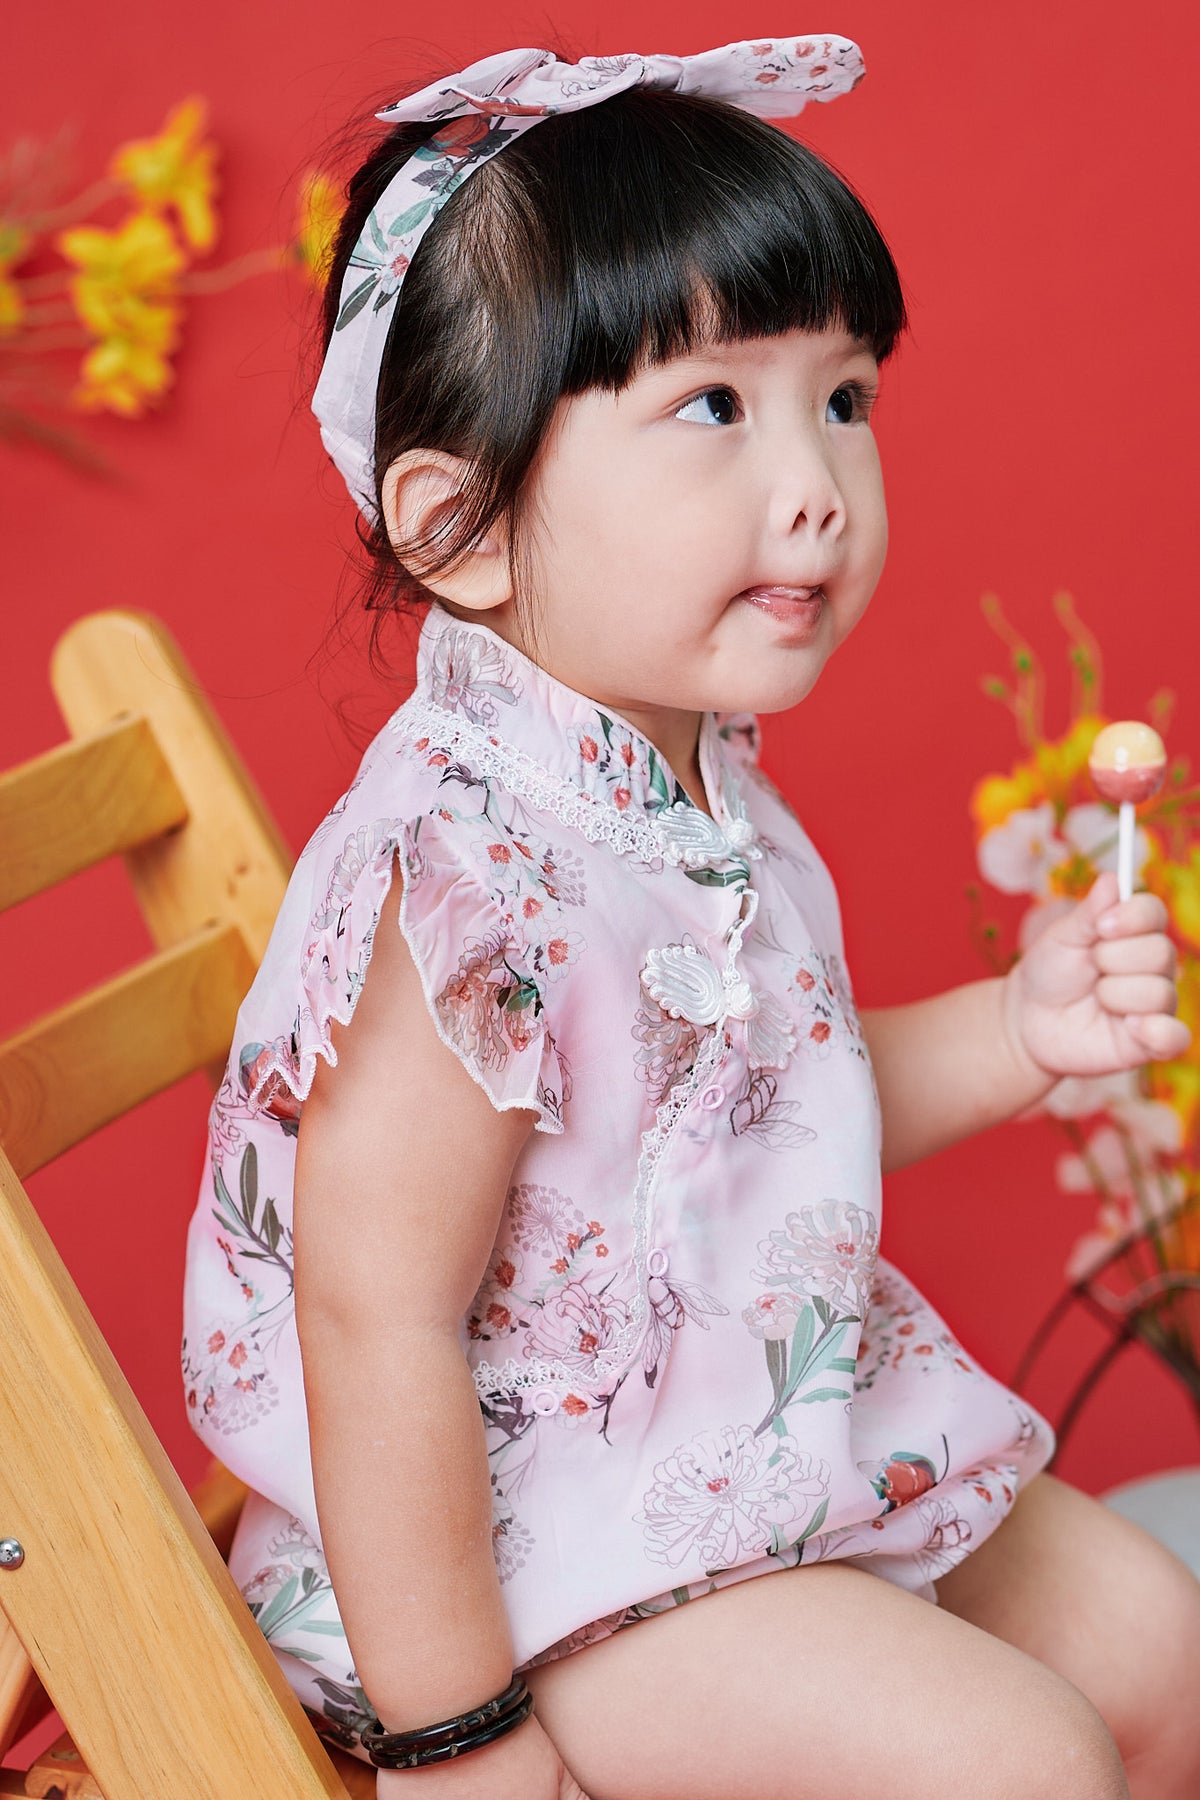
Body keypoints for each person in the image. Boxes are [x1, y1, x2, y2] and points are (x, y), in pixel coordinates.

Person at [181, 36, 1200, 1799]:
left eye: (845, 398)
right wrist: (455, 1735)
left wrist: (1020, 1032)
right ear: (462, 525)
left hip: (750, 1439)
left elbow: (755, 1110)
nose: (816, 482)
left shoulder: (686, 781)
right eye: (715, 406)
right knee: (1020, 1759)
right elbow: (375, 1325)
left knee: (1163, 1654)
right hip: (540, 1547)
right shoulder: (467, 888)